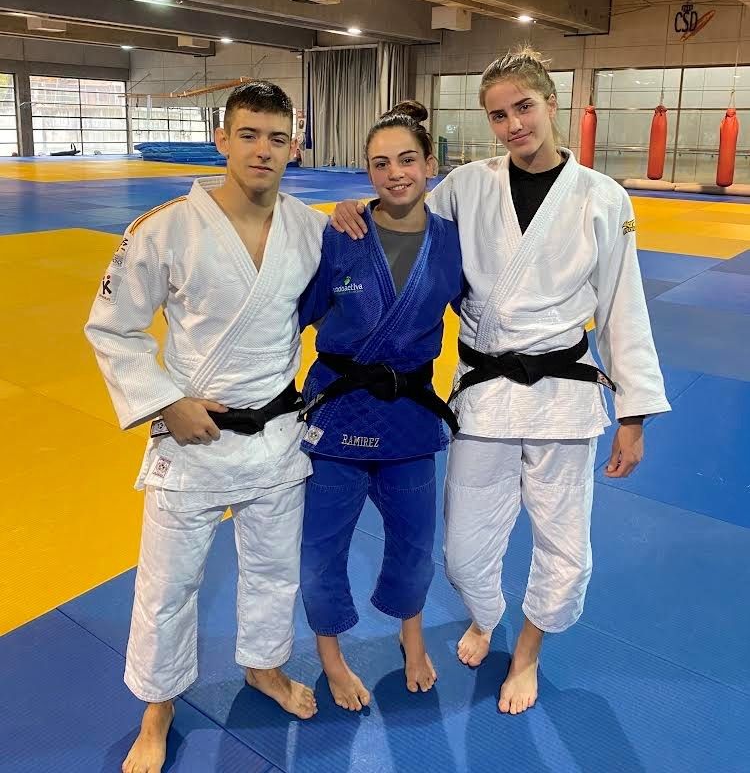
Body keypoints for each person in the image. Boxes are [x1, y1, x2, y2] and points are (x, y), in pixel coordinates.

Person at [331, 50, 670, 716]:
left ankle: (528, 654)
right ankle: (485, 615)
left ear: (552, 105)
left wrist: (634, 412)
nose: (514, 124)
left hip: (565, 396)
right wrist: (356, 211)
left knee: (563, 547)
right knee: (462, 551)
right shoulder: (467, 186)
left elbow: (624, 306)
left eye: (524, 107)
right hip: (484, 391)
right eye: (499, 114)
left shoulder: (604, 198)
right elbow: (405, 218)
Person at [85, 81, 327, 773]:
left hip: (278, 434)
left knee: (274, 572)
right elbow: (114, 327)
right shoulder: (162, 229)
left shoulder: (309, 228)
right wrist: (166, 401)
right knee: (168, 584)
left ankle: (264, 668)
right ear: (221, 139)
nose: (263, 150)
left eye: (277, 138)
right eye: (249, 135)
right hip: (194, 437)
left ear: (293, 146)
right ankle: (158, 709)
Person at [297, 101, 463, 711]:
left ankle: (411, 636)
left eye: (407, 159)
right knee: (320, 545)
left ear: (429, 163)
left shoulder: (452, 243)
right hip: (336, 413)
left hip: (410, 414)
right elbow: (293, 313)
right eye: (380, 163)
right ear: (366, 172)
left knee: (416, 540)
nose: (395, 173)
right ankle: (331, 656)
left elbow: (489, 317)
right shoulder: (341, 234)